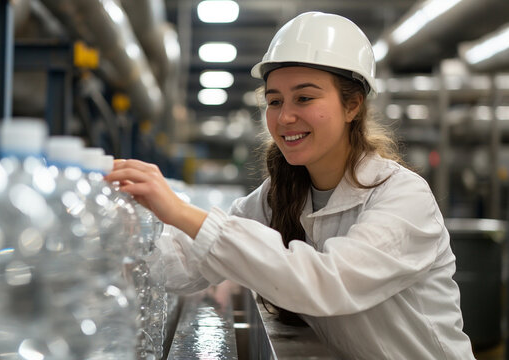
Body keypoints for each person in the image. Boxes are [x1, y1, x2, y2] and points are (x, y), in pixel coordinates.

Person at [105, 11, 474, 359]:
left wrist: (181, 211)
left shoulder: (401, 196)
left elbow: (328, 284)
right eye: (274, 100)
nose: (285, 116)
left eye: (305, 97)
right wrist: (117, 235)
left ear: (353, 106)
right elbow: (186, 264)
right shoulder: (280, 195)